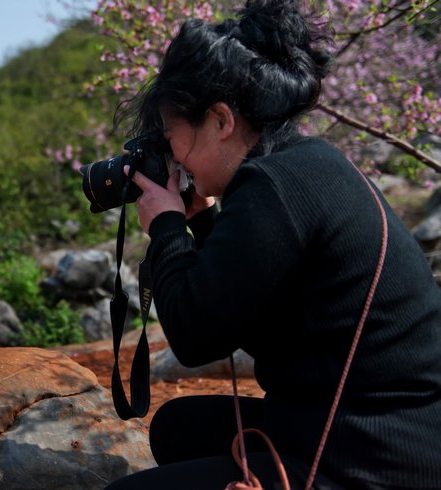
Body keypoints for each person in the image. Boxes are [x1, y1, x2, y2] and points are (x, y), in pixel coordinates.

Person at [105, 0, 441, 489]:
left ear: (220, 120)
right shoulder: (304, 163)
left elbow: (196, 337)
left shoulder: (270, 188)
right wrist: (201, 227)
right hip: (386, 427)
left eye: (173, 135)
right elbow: (255, 313)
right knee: (177, 428)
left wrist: (169, 229)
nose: (174, 156)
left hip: (368, 456)